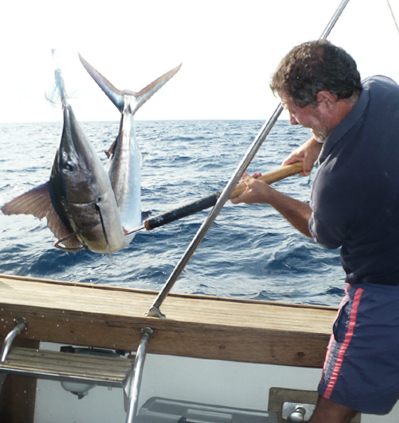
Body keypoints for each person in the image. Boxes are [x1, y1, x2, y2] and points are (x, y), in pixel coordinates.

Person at [231, 40, 399, 423]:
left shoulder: (338, 176)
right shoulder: (383, 89)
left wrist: (270, 195)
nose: (291, 120)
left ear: (324, 100)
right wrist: (316, 139)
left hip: (386, 297)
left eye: (294, 110)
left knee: (333, 407)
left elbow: (320, 231)